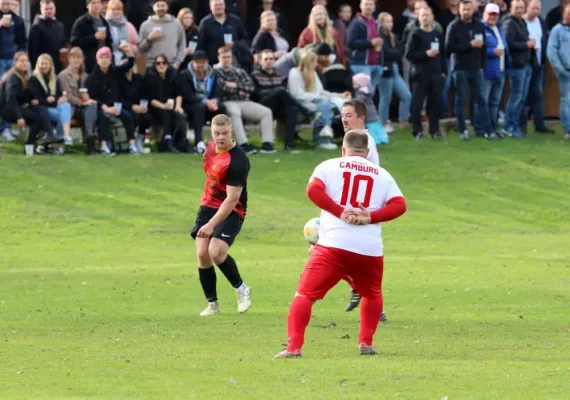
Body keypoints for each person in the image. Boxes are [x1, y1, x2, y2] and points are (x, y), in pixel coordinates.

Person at [274, 130, 407, 358]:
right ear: (367, 152)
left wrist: (339, 211)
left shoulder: (328, 165)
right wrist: (370, 217)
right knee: (372, 294)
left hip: (333, 245)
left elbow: (312, 190)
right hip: (369, 248)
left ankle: (294, 348)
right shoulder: (383, 175)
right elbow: (400, 205)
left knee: (305, 295)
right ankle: (366, 344)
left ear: (343, 150)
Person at [191, 114, 252, 316]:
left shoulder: (238, 160)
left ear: (231, 132)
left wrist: (210, 225)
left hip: (232, 209)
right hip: (208, 205)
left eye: (225, 133)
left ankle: (241, 289)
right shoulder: (208, 148)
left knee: (215, 251)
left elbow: (232, 199)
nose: (220, 138)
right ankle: (213, 305)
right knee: (202, 254)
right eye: (217, 133)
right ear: (211, 133)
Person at [214, 46, 276, 155]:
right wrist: (240, 88)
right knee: (234, 112)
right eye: (224, 57)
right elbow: (223, 89)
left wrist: (235, 86)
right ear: (219, 58)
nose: (227, 59)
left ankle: (267, 144)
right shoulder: (215, 72)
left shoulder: (239, 71)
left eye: (229, 57)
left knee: (266, 112)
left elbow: (251, 87)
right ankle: (243, 144)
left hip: (244, 101)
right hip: (227, 101)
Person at [445, 0, 490, 141]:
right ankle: (462, 130)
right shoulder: (454, 26)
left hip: (476, 68)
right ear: (459, 10)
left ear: (473, 9)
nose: (466, 12)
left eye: (468, 9)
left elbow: (484, 47)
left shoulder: (479, 25)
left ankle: (484, 130)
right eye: (463, 9)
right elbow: (448, 47)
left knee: (481, 99)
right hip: (460, 68)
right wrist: (469, 45)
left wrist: (482, 65)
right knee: (461, 100)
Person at [0, 52, 58, 151]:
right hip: (8, 110)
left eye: (26, 61)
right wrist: (19, 117)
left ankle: (30, 148)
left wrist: (33, 100)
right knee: (37, 118)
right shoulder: (12, 77)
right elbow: (11, 100)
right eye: (22, 61)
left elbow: (23, 96)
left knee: (39, 109)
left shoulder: (24, 76)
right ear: (15, 62)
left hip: (17, 108)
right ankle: (44, 137)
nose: (25, 63)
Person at [251, 49, 306, 154]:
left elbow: (284, 94)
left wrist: (276, 92)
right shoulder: (255, 75)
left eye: (271, 59)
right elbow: (257, 94)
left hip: (277, 106)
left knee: (292, 110)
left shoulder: (279, 75)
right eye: (266, 59)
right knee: (280, 90)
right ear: (260, 61)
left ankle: (289, 145)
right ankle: (305, 111)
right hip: (262, 106)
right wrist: (274, 92)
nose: (269, 61)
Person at [86, 45, 138, 155]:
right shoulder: (92, 77)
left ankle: (132, 144)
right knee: (103, 118)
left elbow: (129, 64)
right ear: (97, 60)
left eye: (107, 58)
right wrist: (105, 107)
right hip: (101, 106)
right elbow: (92, 97)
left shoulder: (115, 71)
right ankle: (104, 145)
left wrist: (129, 53)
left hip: (115, 105)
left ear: (111, 59)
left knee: (127, 116)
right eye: (102, 58)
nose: (104, 60)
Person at [405, 7, 446, 140]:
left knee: (435, 104)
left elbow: (443, 54)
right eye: (422, 16)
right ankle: (417, 131)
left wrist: (443, 71)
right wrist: (425, 54)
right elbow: (408, 55)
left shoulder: (437, 34)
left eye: (427, 15)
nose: (425, 18)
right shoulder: (415, 34)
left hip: (436, 74)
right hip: (420, 74)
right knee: (417, 104)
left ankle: (434, 130)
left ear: (432, 16)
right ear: (418, 17)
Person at [287, 51, 338, 151]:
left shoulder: (313, 73)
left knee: (328, 105)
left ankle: (324, 138)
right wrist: (317, 97)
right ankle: (322, 140)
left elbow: (321, 91)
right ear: (309, 62)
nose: (316, 64)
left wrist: (338, 95)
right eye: (315, 61)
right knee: (324, 106)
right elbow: (297, 95)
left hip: (314, 100)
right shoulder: (294, 72)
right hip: (300, 103)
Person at [179, 50, 226, 154]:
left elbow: (218, 92)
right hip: (190, 106)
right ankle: (198, 141)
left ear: (207, 62)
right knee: (199, 107)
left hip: (208, 104)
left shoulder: (214, 74)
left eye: (203, 62)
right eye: (197, 62)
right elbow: (188, 96)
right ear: (193, 62)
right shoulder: (185, 74)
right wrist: (205, 101)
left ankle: (220, 141)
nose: (200, 65)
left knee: (222, 107)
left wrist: (214, 101)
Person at [475, 3, 511, 140]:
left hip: (500, 70)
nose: (493, 17)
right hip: (486, 70)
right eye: (490, 14)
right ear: (484, 14)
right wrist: (492, 52)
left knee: (495, 101)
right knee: (483, 101)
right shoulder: (481, 29)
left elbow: (505, 48)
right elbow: (478, 50)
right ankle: (480, 129)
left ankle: (492, 127)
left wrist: (508, 62)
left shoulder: (499, 28)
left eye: (495, 14)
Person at [143, 54, 190, 153]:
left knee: (180, 115)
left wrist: (178, 106)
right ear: (155, 65)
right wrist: (164, 106)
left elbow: (179, 93)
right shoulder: (150, 77)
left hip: (171, 106)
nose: (161, 65)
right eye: (158, 63)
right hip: (155, 107)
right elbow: (151, 99)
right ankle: (167, 141)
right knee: (167, 112)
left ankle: (183, 142)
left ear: (167, 65)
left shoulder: (172, 75)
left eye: (163, 63)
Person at [57, 47, 99, 153]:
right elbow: (68, 96)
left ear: (83, 59)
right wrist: (83, 102)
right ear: (69, 59)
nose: (76, 60)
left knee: (93, 105)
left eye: (79, 57)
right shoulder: (63, 75)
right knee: (87, 107)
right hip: (70, 107)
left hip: (83, 108)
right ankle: (88, 138)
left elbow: (89, 94)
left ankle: (89, 137)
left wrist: (87, 98)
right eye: (74, 57)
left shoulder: (85, 76)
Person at [521, 0, 554, 134]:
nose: (536, 11)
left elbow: (544, 39)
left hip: (539, 63)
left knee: (538, 95)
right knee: (522, 95)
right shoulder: (521, 22)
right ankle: (521, 124)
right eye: (533, 8)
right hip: (525, 63)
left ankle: (539, 125)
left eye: (538, 9)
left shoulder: (540, 21)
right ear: (527, 8)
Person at [502, 0, 534, 138]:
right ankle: (509, 127)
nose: (520, 10)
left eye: (522, 7)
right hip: (516, 65)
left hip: (526, 64)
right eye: (517, 8)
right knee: (516, 97)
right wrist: (526, 44)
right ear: (511, 8)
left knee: (521, 98)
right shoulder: (509, 23)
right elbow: (508, 44)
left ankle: (516, 126)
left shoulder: (522, 22)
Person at [30, 53, 73, 150]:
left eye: (46, 64)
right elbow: (36, 99)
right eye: (42, 64)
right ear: (38, 64)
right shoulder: (34, 78)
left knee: (65, 106)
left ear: (50, 65)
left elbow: (57, 95)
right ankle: (58, 143)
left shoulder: (54, 78)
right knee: (63, 116)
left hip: (52, 107)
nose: (44, 66)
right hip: (42, 110)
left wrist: (56, 98)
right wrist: (49, 100)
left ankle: (65, 136)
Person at [378, 12, 412, 133]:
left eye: (391, 21)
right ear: (381, 23)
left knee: (406, 96)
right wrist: (396, 53)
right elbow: (387, 53)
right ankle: (383, 123)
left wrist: (396, 53)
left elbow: (401, 50)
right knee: (385, 98)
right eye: (387, 22)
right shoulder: (379, 36)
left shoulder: (393, 36)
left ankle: (403, 121)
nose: (390, 24)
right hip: (384, 69)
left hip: (394, 68)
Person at [347, 0, 384, 97]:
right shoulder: (357, 22)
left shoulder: (376, 22)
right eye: (366, 4)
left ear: (374, 6)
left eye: (371, 4)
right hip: (361, 63)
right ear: (360, 6)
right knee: (363, 95)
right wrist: (370, 43)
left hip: (375, 64)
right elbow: (350, 42)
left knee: (370, 95)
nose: (368, 6)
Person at [197, 0, 248, 66]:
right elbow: (199, 45)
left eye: (220, 4)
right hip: (212, 63)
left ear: (224, 5)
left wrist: (235, 44)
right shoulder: (205, 23)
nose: (219, 7)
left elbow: (246, 40)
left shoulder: (235, 20)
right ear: (210, 7)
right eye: (216, 5)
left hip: (233, 63)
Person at [138, 0, 186, 70]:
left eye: (163, 6)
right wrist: (149, 39)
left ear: (167, 7)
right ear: (153, 7)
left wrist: (177, 63)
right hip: (152, 65)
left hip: (171, 65)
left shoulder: (176, 24)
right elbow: (140, 49)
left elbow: (182, 45)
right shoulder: (145, 25)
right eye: (158, 6)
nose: (160, 8)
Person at [546, 3, 570, 140]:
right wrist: (559, 69)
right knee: (566, 101)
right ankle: (568, 130)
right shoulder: (557, 30)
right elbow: (551, 51)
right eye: (568, 14)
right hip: (565, 71)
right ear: (564, 14)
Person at [119, 57, 152, 153]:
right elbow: (119, 98)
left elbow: (146, 94)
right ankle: (131, 141)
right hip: (126, 107)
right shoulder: (119, 80)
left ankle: (139, 139)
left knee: (148, 118)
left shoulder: (139, 78)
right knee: (134, 117)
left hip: (139, 106)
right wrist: (132, 106)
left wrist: (143, 105)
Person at [70, 0, 113, 73]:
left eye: (98, 2)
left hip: (103, 62)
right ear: (87, 5)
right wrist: (94, 37)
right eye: (93, 3)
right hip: (87, 62)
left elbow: (109, 42)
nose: (96, 5)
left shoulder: (104, 22)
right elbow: (74, 42)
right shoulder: (81, 22)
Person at [28, 0, 67, 74]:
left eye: (51, 8)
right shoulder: (36, 27)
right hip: (42, 67)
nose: (49, 11)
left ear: (55, 8)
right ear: (41, 9)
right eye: (46, 9)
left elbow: (63, 43)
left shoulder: (59, 25)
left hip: (57, 66)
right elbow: (32, 51)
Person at [352, 74, 388, 145]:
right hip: (372, 112)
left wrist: (350, 101)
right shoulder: (367, 90)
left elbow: (358, 101)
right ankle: (383, 138)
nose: (353, 84)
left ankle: (375, 140)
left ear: (360, 83)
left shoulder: (361, 92)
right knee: (376, 127)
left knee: (372, 129)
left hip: (368, 113)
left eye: (354, 83)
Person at [106, 0, 139, 66]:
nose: (116, 12)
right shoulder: (104, 24)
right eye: (113, 9)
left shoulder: (128, 25)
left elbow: (138, 46)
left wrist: (130, 47)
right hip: (107, 61)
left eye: (119, 9)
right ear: (108, 10)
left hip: (125, 61)